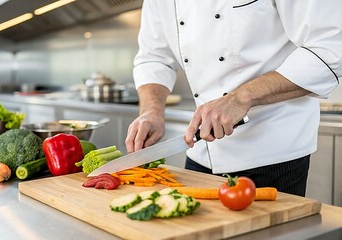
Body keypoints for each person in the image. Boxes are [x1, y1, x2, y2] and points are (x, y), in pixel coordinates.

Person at [125, 0, 342, 196]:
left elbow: (331, 47)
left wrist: (242, 97)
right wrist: (151, 111)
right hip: (201, 149)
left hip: (272, 149)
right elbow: (154, 57)